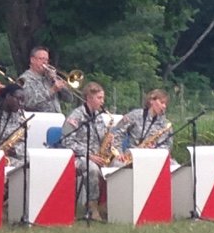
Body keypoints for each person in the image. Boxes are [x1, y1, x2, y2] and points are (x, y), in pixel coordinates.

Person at [61, 81, 113, 220]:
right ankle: (92, 205)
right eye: (99, 98)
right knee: (92, 169)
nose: (102, 101)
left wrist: (108, 142)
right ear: (89, 98)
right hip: (79, 157)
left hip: (98, 156)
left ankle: (108, 204)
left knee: (119, 167)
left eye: (103, 98)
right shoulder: (75, 116)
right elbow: (67, 141)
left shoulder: (99, 116)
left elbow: (102, 138)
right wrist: (88, 155)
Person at [111, 88, 173, 158]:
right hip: (132, 156)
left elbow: (168, 145)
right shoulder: (135, 115)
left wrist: (156, 150)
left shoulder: (165, 124)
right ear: (151, 101)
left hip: (154, 158)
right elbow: (117, 133)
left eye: (165, 104)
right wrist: (119, 153)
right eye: (161, 102)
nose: (164, 106)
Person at [19, 46, 72, 113]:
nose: (44, 62)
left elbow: (69, 99)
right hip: (39, 120)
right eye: (41, 59)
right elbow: (28, 103)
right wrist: (52, 90)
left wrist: (55, 79)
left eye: (46, 60)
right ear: (32, 60)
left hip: (57, 119)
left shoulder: (49, 78)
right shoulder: (24, 79)